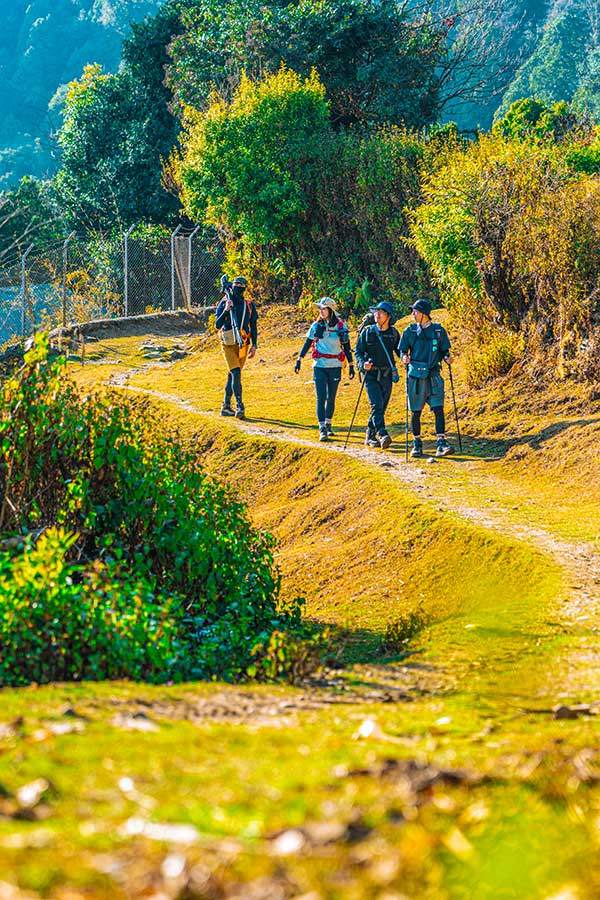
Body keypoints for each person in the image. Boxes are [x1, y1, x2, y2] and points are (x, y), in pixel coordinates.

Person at [399, 298, 454, 457]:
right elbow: (403, 350)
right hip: (416, 377)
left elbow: (445, 351)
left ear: (423, 314)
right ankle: (417, 443)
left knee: (438, 409)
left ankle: (441, 443)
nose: (413, 314)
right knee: (415, 412)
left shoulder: (438, 331)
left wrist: (447, 358)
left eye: (415, 311)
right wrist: (404, 358)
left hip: (434, 375)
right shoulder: (409, 331)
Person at [294, 297, 355, 441]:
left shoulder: (341, 326)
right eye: (320, 309)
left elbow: (347, 346)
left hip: (335, 365)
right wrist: (299, 359)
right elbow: (308, 342)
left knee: (331, 397)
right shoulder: (316, 326)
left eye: (324, 308)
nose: (321, 311)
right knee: (321, 397)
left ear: (331, 310)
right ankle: (321, 428)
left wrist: (351, 365)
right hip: (319, 365)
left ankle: (328, 424)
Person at [354, 300, 402, 450]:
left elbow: (400, 351)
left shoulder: (393, 333)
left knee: (381, 406)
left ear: (388, 316)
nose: (377, 315)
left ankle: (370, 434)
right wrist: (363, 365)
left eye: (380, 312)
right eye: (376, 312)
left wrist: (406, 358)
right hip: (370, 375)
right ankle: (382, 433)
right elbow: (358, 352)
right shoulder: (367, 332)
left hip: (387, 374)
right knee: (376, 404)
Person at [215, 275, 258, 420]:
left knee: (233, 374)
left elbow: (254, 326)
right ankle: (240, 406)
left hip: (243, 343)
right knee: (236, 373)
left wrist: (254, 345)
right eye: (236, 284)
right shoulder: (225, 302)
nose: (238, 287)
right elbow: (217, 325)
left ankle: (226, 406)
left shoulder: (249, 305)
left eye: (242, 285)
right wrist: (226, 310)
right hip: (228, 344)